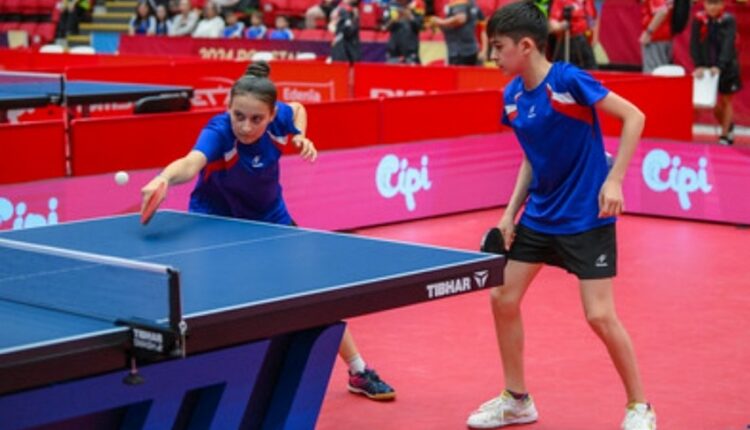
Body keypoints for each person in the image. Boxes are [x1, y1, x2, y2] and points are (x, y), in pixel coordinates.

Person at [141, 61, 397, 402]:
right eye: (238, 116)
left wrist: (300, 134)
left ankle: (358, 370)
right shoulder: (219, 132)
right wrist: (163, 179)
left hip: (270, 218)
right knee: (210, 301)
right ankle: (198, 377)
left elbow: (299, 109)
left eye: (256, 119)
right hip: (217, 223)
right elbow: (191, 162)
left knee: (313, 291)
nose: (246, 127)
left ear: (272, 114)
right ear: (227, 108)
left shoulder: (280, 118)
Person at [466, 2, 656, 429]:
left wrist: (615, 180)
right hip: (540, 215)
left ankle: (640, 407)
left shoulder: (568, 81)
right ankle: (517, 400)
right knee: (503, 298)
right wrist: (509, 214)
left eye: (498, 47)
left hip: (586, 216)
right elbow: (531, 158)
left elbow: (634, 117)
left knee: (599, 316)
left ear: (526, 46)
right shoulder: (512, 97)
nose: (492, 56)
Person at [690, 0, 742, 146]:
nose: (712, 7)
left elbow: (728, 44)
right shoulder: (699, 19)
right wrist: (699, 65)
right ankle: (728, 125)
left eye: (716, 3)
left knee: (726, 101)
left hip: (726, 68)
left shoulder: (728, 20)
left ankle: (724, 135)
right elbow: (694, 44)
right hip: (706, 69)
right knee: (711, 103)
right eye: (709, 3)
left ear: (722, 5)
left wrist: (720, 65)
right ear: (704, 4)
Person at [548, 0, 597, 69]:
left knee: (591, 71)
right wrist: (563, 25)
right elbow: (552, 25)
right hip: (568, 43)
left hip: (586, 45)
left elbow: (593, 20)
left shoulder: (589, 2)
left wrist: (593, 39)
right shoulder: (560, 1)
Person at [432, 0, 483, 66]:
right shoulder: (473, 3)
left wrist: (441, 22)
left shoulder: (461, 1)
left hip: (459, 51)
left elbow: (461, 18)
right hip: (470, 49)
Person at [382, 0, 423, 64]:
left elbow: (419, 26)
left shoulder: (416, 4)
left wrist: (410, 16)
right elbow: (384, 28)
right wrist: (394, 20)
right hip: (394, 50)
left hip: (410, 50)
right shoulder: (391, 6)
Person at [640, 0, 673, 73]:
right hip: (665, 36)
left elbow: (662, 11)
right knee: (662, 71)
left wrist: (648, 32)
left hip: (655, 38)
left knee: (653, 72)